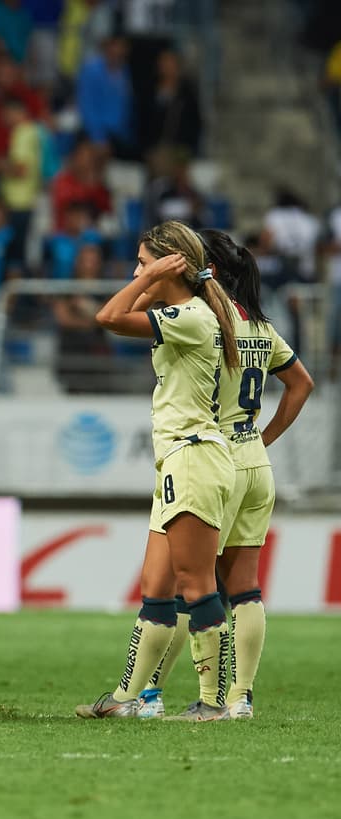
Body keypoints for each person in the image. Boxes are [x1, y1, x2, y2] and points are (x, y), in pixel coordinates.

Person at [137, 230, 313, 720]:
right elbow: (301, 384)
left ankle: (150, 693)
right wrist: (263, 438)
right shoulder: (260, 327)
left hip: (213, 460)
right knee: (246, 588)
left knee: (187, 586)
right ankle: (241, 697)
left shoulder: (211, 322)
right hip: (255, 460)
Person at [80, 221, 240, 722]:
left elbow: (107, 316)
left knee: (197, 584)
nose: (136, 271)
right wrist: (154, 278)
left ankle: (215, 702)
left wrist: (150, 281)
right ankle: (131, 700)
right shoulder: (185, 313)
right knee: (156, 587)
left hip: (194, 456)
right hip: (177, 459)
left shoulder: (191, 317)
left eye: (144, 262)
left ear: (171, 264)